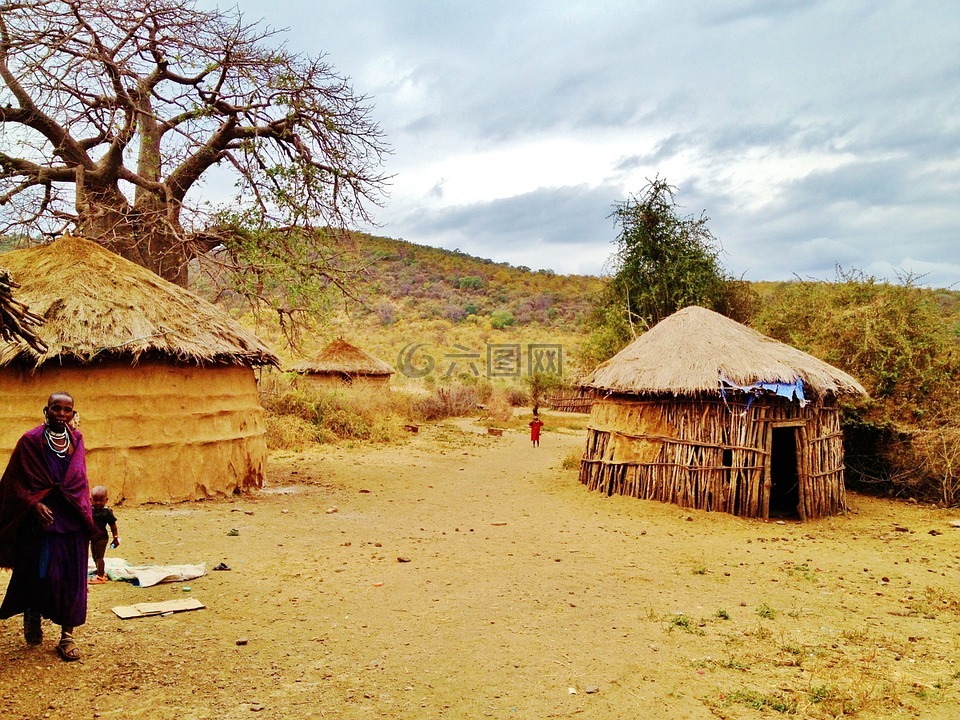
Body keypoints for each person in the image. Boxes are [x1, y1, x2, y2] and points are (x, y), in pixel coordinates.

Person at [0, 391, 96, 662]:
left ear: (73, 413)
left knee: (73, 578)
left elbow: (79, 479)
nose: (62, 414)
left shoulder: (76, 439)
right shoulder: (30, 441)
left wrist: (79, 507)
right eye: (57, 409)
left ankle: (67, 636)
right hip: (41, 522)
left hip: (72, 518)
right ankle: (32, 610)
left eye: (68, 410)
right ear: (46, 410)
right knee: (40, 573)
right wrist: (33, 504)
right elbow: (14, 482)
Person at [88, 485, 119, 585]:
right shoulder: (89, 511)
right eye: (95, 500)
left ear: (106, 500)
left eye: (101, 500)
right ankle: (99, 572)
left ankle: (100, 577)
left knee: (99, 557)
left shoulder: (107, 512)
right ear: (90, 499)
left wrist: (115, 537)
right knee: (94, 556)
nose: (98, 503)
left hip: (102, 538)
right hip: (93, 537)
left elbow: (113, 525)